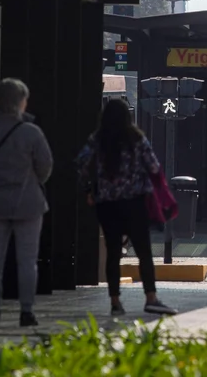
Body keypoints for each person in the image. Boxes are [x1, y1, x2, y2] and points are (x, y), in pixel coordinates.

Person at [77, 99, 177, 317]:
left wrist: (90, 190)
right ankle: (150, 298)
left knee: (113, 252)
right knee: (144, 252)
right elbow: (153, 166)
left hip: (106, 204)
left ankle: (115, 302)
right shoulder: (136, 139)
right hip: (135, 203)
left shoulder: (97, 140)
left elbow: (82, 165)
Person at [0, 78, 53, 328]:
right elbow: (45, 168)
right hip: (28, 202)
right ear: (20, 102)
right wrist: (30, 181)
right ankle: (26, 311)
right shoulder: (32, 132)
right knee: (27, 260)